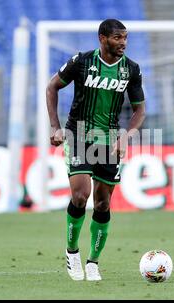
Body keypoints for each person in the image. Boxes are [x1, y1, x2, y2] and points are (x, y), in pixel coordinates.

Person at [46, 19, 146, 281]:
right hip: (78, 135)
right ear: (102, 38)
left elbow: (140, 109)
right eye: (117, 38)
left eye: (125, 38)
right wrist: (55, 127)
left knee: (102, 203)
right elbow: (52, 86)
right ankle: (72, 253)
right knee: (81, 195)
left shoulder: (131, 70)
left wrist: (127, 134)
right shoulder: (81, 62)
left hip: (109, 141)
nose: (123, 42)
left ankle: (93, 262)